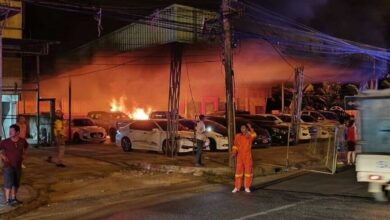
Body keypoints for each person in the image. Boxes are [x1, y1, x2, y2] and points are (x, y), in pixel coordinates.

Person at [0, 124, 28, 206]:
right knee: (8, 183)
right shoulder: (5, 142)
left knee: (16, 183)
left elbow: (26, 147)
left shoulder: (22, 141)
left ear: (18, 132)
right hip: (8, 165)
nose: (10, 132)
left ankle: (13, 198)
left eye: (12, 131)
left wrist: (24, 155)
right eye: (9, 130)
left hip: (18, 165)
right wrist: (2, 156)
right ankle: (8, 200)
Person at [232, 123, 256, 193]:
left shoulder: (249, 136)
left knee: (248, 172)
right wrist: (234, 152)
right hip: (239, 156)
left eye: (244, 128)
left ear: (246, 129)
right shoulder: (237, 136)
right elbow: (235, 146)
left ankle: (247, 187)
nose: (242, 129)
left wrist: (250, 128)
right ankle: (237, 187)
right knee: (238, 173)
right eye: (241, 128)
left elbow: (254, 134)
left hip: (247, 157)